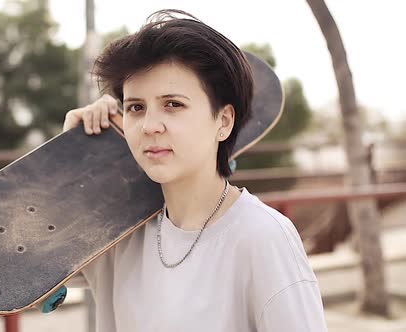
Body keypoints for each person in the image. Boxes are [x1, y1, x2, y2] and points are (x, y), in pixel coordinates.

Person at [61, 9, 327, 332]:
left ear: (224, 121)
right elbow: (8, 278)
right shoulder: (119, 238)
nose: (149, 126)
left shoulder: (262, 237)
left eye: (173, 104)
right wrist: (67, 158)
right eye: (135, 107)